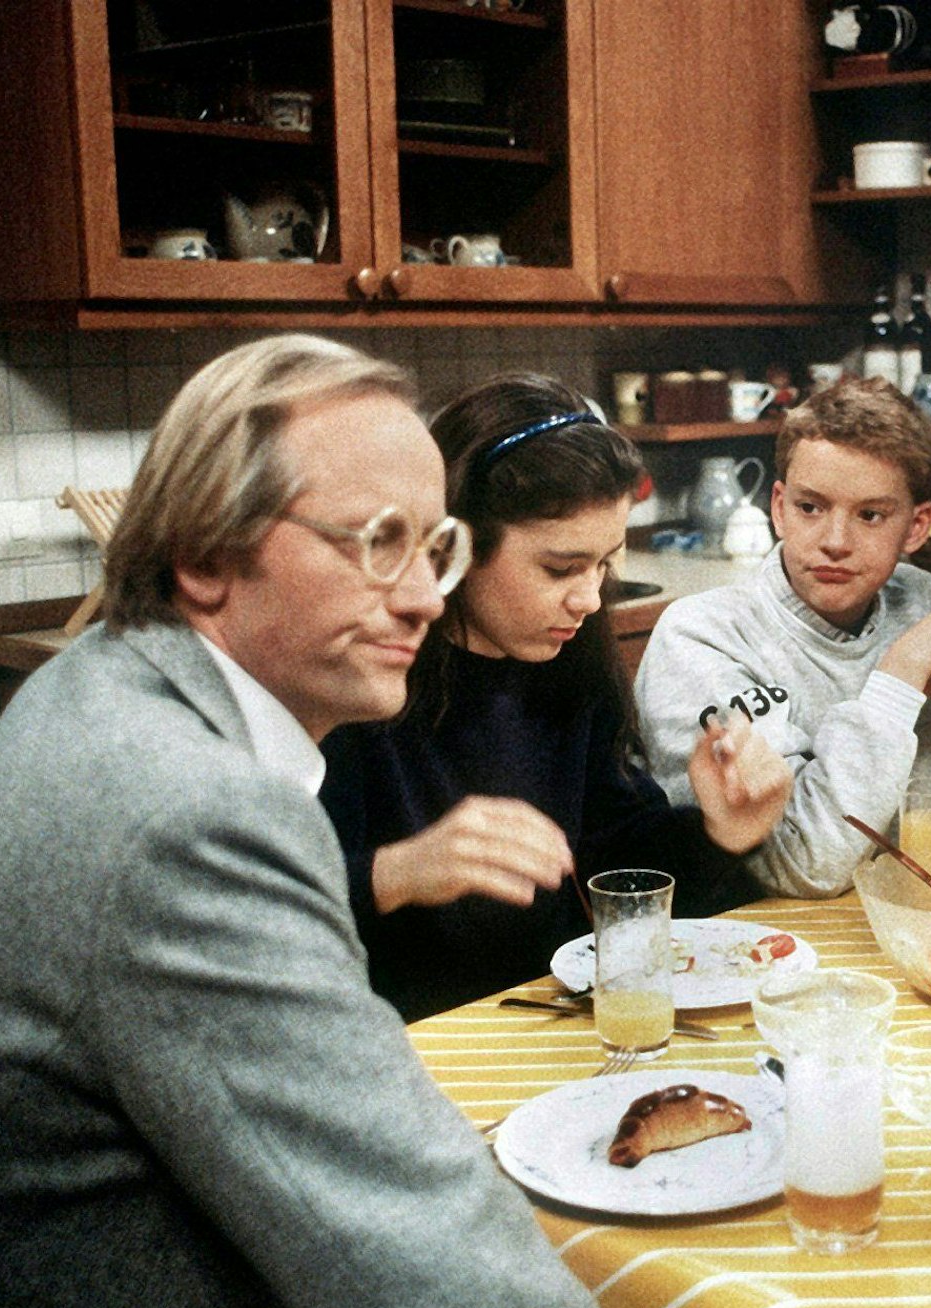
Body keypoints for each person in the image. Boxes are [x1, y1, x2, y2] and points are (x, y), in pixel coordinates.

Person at [0, 337, 713, 1308]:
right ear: (207, 561)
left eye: (435, 545)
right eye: (378, 544)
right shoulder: (191, 816)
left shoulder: (96, 684)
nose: (423, 591)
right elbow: (427, 1261)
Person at [320, 373, 790, 1017]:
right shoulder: (353, 684)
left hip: (547, 1019)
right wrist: (395, 873)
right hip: (405, 1043)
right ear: (454, 544)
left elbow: (618, 869)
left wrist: (720, 834)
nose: (590, 598)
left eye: (604, 564)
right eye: (561, 568)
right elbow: (245, 921)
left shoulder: (570, 659)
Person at [632, 376, 931, 899]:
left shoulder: (922, 601)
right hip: (758, 941)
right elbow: (805, 863)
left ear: (917, 528)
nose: (835, 542)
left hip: (900, 917)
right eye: (810, 507)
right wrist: (904, 669)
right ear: (778, 508)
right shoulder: (703, 635)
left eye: (870, 515)